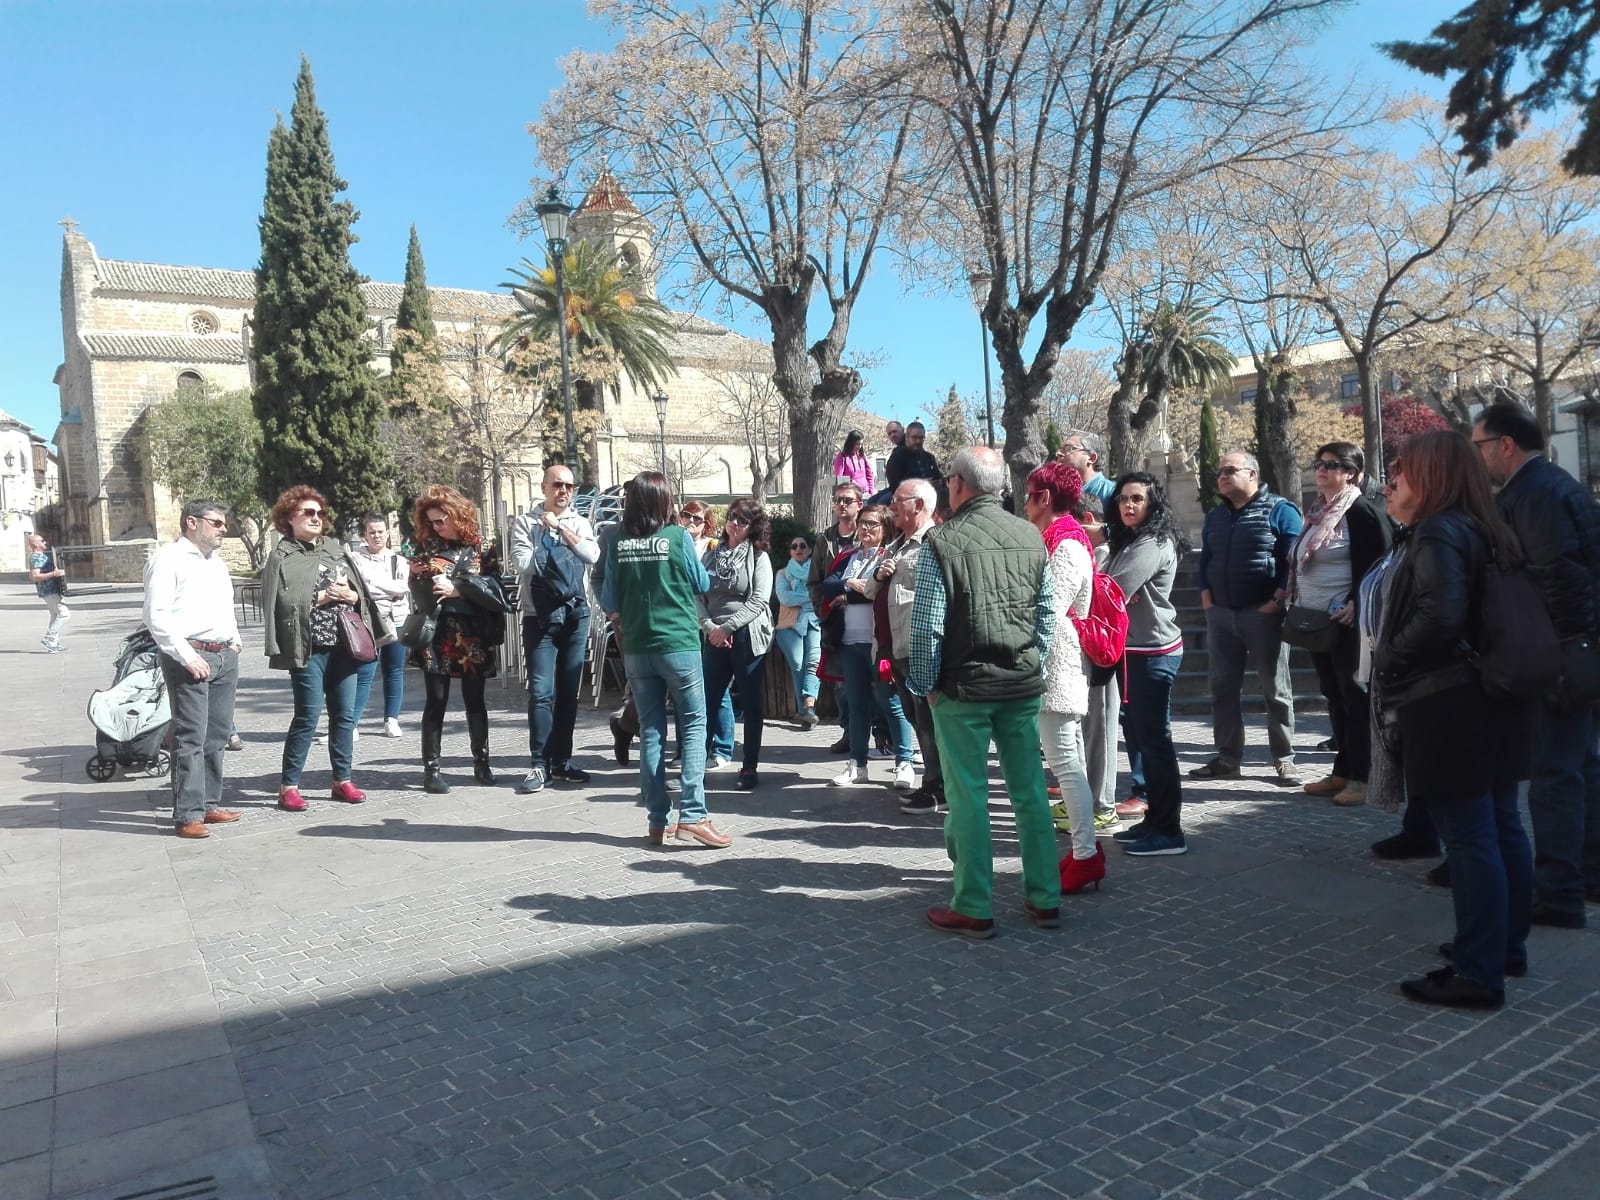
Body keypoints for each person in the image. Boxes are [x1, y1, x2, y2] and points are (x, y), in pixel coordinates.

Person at [1371, 430, 1533, 1008]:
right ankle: (1499, 946)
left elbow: (1440, 619)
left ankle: (1478, 970)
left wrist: (1388, 654)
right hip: (1491, 695)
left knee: (1471, 837)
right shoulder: (1485, 525)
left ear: (1433, 476)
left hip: (1449, 701)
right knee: (1499, 825)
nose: (1395, 481)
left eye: (1404, 471)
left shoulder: (1440, 530)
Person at [908, 447, 1060, 938]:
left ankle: (973, 903)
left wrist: (925, 687)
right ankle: (1045, 896)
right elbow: (1047, 616)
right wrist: (1031, 659)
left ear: (956, 484)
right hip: (1019, 682)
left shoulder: (942, 541)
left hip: (963, 688)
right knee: (1029, 791)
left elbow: (927, 626)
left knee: (968, 796)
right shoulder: (1032, 537)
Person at [1473, 402, 1600, 927]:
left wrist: (1565, 650)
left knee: (1554, 775)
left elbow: (1560, 575)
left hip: (1562, 654)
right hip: (1576, 648)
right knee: (1581, 768)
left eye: (1479, 446)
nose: (1476, 457)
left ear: (1505, 445)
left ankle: (1560, 894)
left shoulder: (1535, 493)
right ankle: (1585, 877)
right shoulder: (1554, 485)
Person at [601, 472, 728, 847]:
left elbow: (609, 599)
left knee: (652, 730)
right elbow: (702, 584)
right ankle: (693, 815)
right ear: (663, 501)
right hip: (678, 643)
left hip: (638, 647)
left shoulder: (618, 540)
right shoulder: (678, 537)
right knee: (692, 726)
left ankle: (658, 819)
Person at [262, 487, 382, 813]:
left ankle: (342, 781)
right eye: (308, 513)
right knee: (307, 716)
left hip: (344, 648)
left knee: (344, 718)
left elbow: (362, 597)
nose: (316, 518)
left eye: (319, 513)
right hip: (308, 649)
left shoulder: (335, 550)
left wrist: (350, 595)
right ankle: (289, 786)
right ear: (290, 519)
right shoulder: (282, 557)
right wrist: (323, 598)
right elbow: (278, 605)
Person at [1191, 450, 1304, 786]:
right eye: (1219, 472)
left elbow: (1295, 559)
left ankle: (1284, 760)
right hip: (1222, 615)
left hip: (1264, 615)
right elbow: (1206, 559)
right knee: (1222, 689)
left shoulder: (1280, 510)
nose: (1222, 476)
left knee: (1276, 690)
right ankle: (1228, 759)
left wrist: (1277, 598)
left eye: (1230, 470)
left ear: (1252, 474)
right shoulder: (1215, 516)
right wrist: (1206, 596)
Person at [1292, 443, 1393, 808]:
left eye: (1333, 465)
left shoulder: (1361, 510)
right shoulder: (1319, 511)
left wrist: (1355, 600)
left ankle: (1363, 777)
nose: (1322, 469)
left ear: (1350, 472)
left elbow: (1382, 562)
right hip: (1319, 620)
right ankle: (1341, 769)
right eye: (1319, 463)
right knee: (1333, 695)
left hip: (1350, 621)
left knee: (1354, 697)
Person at [1097, 473, 1191, 857]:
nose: (1128, 505)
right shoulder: (1132, 540)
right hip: (1133, 650)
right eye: (1123, 499)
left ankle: (1169, 831)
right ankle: (1154, 820)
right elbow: (1111, 587)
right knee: (1141, 739)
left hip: (1151, 652)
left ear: (1153, 504)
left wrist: (1112, 590)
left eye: (1137, 498)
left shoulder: (1154, 541)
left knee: (1155, 742)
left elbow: (1111, 588)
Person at [1022, 462, 1104, 891]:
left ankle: (1087, 853)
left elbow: (1048, 612)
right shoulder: (1055, 538)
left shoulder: (1067, 543)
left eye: (1030, 491)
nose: (1024, 500)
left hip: (1057, 665)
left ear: (1046, 498)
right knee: (1065, 761)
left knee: (1065, 764)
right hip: (1053, 663)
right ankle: (1084, 851)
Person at [144, 500, 242, 839]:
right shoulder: (168, 560)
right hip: (190, 655)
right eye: (216, 523)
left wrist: (235, 641)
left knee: (216, 735)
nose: (222, 529)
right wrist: (187, 656)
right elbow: (157, 616)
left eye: (223, 523)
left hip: (223, 655)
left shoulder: (215, 564)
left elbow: (224, 607)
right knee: (191, 737)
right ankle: (188, 814)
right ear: (191, 522)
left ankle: (209, 803)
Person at [408, 485, 509, 795]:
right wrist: (424, 579)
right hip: (437, 631)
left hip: (473, 632)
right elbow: (418, 589)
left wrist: (459, 589)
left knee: (475, 700)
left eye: (443, 519)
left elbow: (496, 588)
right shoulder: (425, 547)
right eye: (433, 521)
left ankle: (482, 763)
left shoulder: (482, 547)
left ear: (458, 515)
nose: (438, 526)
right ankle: (432, 770)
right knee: (435, 701)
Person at [511, 465, 599, 794]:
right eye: (557, 485)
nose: (563, 491)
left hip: (576, 614)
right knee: (541, 691)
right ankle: (539, 763)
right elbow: (521, 563)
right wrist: (547, 540)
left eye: (569, 486)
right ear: (544, 487)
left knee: (568, 692)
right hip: (539, 617)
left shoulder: (578, 522)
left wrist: (562, 531)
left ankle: (561, 762)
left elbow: (592, 554)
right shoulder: (525, 523)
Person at [822, 503, 917, 789]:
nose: (865, 529)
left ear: (886, 527)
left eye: (872, 524)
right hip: (851, 643)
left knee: (890, 702)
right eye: (862, 523)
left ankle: (905, 762)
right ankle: (857, 764)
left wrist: (848, 594)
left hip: (880, 642)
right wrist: (851, 583)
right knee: (857, 704)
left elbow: (877, 593)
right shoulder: (851, 556)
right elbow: (828, 584)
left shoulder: (889, 556)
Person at [699, 497, 774, 790]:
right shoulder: (711, 554)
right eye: (732, 516)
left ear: (753, 527)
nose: (735, 523)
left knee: (752, 704)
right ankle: (696, 765)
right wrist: (709, 627)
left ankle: (749, 767)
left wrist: (728, 627)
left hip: (745, 635)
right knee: (707, 703)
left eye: (743, 520)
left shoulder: (758, 556)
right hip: (713, 634)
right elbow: (697, 594)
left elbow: (758, 600)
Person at [885, 479, 945, 816]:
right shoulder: (897, 543)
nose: (892, 505)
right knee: (915, 716)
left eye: (898, 500)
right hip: (897, 645)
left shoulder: (934, 542)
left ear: (919, 505)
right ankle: (935, 780)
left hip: (922, 646)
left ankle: (939, 786)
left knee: (929, 720)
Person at [810, 481, 865, 751]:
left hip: (865, 617)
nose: (841, 505)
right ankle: (849, 733)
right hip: (835, 621)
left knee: (873, 680)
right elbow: (815, 581)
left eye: (847, 500)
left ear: (859, 504)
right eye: (838, 500)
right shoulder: (825, 539)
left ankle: (878, 734)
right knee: (841, 682)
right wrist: (824, 609)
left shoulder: (869, 535)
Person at [349, 513, 411, 739]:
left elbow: (403, 588)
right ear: (364, 534)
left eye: (380, 531)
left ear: (387, 533)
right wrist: (388, 587)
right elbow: (362, 588)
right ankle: (352, 723)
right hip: (370, 622)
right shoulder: (356, 559)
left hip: (397, 619)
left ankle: (391, 720)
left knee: (394, 671)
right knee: (364, 672)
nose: (377, 536)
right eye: (372, 532)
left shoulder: (399, 560)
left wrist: (374, 584)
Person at [774, 534, 822, 728]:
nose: (798, 548)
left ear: (810, 550)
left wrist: (801, 596)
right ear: (790, 551)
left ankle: (809, 707)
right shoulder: (782, 573)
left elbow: (821, 592)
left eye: (803, 545)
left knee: (813, 662)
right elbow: (785, 599)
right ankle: (804, 711)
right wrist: (810, 595)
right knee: (797, 664)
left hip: (815, 621)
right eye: (794, 546)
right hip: (790, 625)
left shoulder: (817, 572)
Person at [28, 532, 70, 653]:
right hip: (49, 590)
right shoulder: (36, 557)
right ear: (35, 544)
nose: (44, 542)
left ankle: (52, 643)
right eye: (42, 541)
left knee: (55, 615)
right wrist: (54, 574)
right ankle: (49, 638)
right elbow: (34, 576)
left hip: (52, 590)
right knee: (65, 614)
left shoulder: (41, 556)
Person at [1055, 431, 1115, 507]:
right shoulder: (1057, 493)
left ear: (1091, 458)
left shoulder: (1112, 493)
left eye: (1068, 448)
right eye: (1060, 450)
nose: (1059, 454)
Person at [885, 421, 942, 491]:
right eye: (914, 437)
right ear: (907, 438)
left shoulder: (929, 458)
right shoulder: (897, 458)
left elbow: (939, 479)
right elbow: (895, 486)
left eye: (921, 438)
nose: (918, 441)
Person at [833, 429, 875, 495]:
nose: (859, 446)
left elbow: (869, 475)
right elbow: (839, 479)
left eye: (861, 444)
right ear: (850, 443)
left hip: (866, 493)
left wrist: (871, 492)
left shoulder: (862, 456)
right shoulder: (842, 457)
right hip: (851, 494)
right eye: (857, 444)